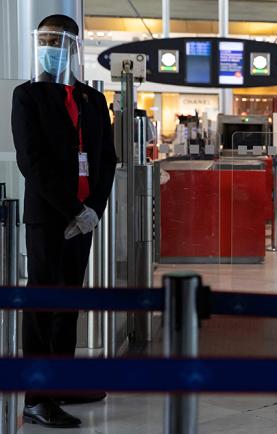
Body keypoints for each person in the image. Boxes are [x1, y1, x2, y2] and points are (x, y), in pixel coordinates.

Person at [11, 14, 117, 428]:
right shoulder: (28, 96)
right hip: (49, 217)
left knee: (69, 302)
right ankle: (37, 397)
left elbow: (106, 157)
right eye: (48, 39)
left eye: (61, 40)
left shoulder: (91, 99)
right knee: (43, 305)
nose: (54, 46)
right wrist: (73, 209)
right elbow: (31, 162)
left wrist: (93, 212)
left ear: (74, 46)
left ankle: (63, 381)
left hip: (84, 219)